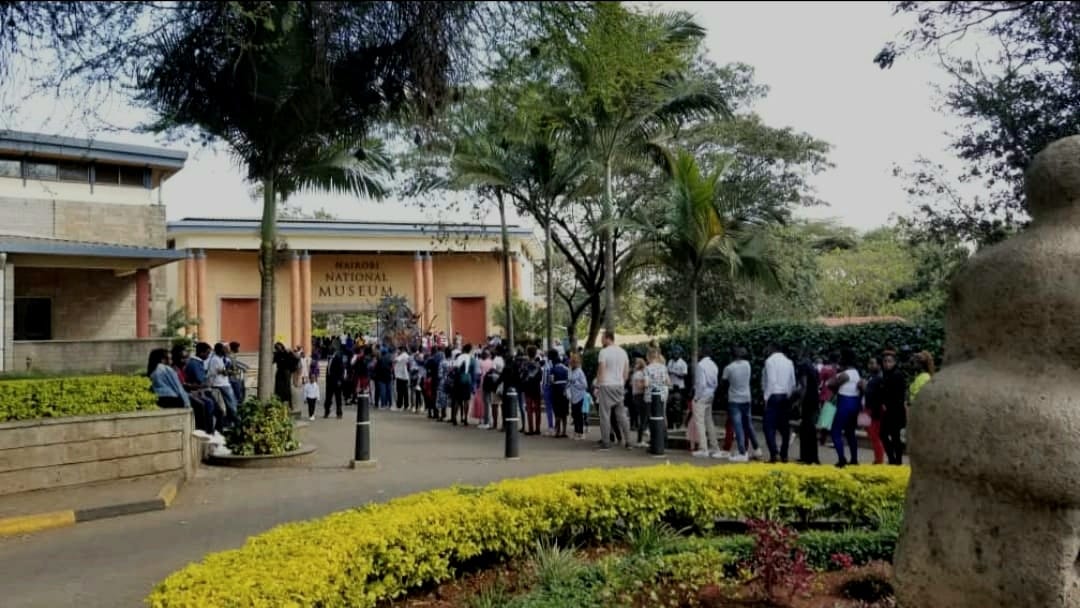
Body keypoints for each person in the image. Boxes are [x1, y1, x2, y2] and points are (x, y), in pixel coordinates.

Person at [594, 331, 631, 450]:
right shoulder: (623, 352)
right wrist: (622, 383)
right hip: (619, 385)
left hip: (606, 385)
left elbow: (601, 370)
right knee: (621, 414)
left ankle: (606, 442)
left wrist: (598, 386)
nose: (601, 340)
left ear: (607, 338)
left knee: (604, 414)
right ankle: (628, 441)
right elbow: (626, 371)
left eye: (602, 338)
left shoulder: (603, 352)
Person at [723, 347, 760, 462]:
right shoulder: (747, 365)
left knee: (738, 426)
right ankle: (757, 449)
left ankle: (742, 452)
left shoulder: (729, 368)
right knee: (748, 425)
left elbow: (724, 382)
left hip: (734, 400)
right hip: (746, 398)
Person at [762, 343, 797, 463]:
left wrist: (766, 397)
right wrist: (788, 395)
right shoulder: (789, 362)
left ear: (772, 348)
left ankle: (774, 453)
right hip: (785, 396)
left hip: (773, 395)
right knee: (784, 427)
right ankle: (784, 454)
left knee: (768, 427)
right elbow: (792, 383)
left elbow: (771, 380)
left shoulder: (770, 361)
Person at [827, 348, 862, 467]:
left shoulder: (845, 374)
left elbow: (830, 384)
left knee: (835, 431)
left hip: (845, 403)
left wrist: (835, 375)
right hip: (855, 403)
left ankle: (841, 458)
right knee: (850, 432)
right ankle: (854, 459)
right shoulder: (856, 373)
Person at [691, 347, 721, 458]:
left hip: (702, 395)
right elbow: (716, 382)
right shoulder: (714, 365)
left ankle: (703, 448)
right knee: (709, 421)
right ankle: (715, 448)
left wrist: (697, 397)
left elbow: (701, 384)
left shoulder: (700, 365)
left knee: (700, 422)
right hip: (710, 394)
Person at [880, 351, 908, 465]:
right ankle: (893, 459)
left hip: (895, 411)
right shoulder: (887, 375)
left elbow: (898, 395)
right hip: (890, 411)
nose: (887, 364)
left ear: (894, 362)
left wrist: (887, 404)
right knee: (886, 435)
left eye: (889, 361)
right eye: (885, 361)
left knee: (894, 436)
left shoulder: (897, 375)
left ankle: (896, 460)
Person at [794, 352, 821, 465]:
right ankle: (811, 456)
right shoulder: (813, 368)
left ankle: (807, 457)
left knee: (806, 428)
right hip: (814, 398)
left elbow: (804, 386)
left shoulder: (803, 367)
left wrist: (799, 402)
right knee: (809, 428)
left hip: (808, 400)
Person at [643, 347, 671, 447]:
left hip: (650, 396)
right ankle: (664, 439)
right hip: (662, 395)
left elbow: (646, 384)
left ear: (648, 357)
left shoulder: (647, 368)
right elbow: (668, 382)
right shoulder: (663, 367)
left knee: (652, 418)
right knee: (662, 416)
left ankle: (654, 440)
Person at [861, 355, 885, 464]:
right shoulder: (871, 377)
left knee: (874, 434)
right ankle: (877, 458)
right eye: (869, 363)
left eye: (872, 363)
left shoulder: (879, 379)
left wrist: (864, 387)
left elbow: (873, 394)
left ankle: (879, 460)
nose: (869, 365)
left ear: (879, 366)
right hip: (866, 408)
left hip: (873, 410)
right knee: (869, 432)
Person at [208, 343, 240, 425]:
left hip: (224, 383)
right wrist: (230, 371)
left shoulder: (220, 358)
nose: (225, 350)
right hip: (221, 384)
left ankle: (229, 421)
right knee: (232, 403)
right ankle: (237, 421)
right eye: (223, 349)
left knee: (230, 403)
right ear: (219, 350)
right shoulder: (215, 359)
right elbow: (224, 372)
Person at [520, 346, 544, 435]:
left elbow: (521, 376)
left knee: (529, 409)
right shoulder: (538, 365)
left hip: (527, 388)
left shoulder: (524, 364)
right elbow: (540, 377)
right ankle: (537, 429)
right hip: (536, 388)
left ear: (527, 353)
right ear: (535, 353)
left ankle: (530, 429)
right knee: (538, 409)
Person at [451, 344, 475, 426]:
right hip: (467, 380)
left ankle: (454, 418)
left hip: (458, 380)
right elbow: (473, 372)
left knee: (457, 400)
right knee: (466, 400)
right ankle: (465, 418)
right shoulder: (471, 359)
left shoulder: (459, 357)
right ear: (470, 350)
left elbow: (454, 368)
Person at [549, 349, 570, 438]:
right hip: (565, 391)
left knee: (557, 412)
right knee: (564, 412)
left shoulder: (553, 369)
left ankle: (557, 431)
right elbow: (569, 380)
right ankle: (564, 431)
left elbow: (551, 380)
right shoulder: (566, 369)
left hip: (556, 391)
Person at [568, 352, 588, 440]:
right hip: (573, 396)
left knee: (579, 415)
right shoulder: (571, 371)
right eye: (571, 362)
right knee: (574, 415)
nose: (572, 363)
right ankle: (576, 432)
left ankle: (581, 432)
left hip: (580, 396)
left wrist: (575, 383)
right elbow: (569, 381)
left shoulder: (580, 372)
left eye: (574, 362)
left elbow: (585, 385)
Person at [667, 349, 688, 430]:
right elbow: (667, 372)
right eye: (674, 353)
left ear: (679, 354)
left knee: (678, 407)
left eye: (676, 353)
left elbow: (684, 375)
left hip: (679, 387)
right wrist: (669, 372)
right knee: (669, 406)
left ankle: (678, 423)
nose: (675, 354)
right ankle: (670, 424)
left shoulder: (683, 363)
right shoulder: (670, 362)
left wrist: (675, 373)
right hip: (670, 387)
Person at [324, 345, 347, 418]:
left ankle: (339, 413)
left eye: (330, 350)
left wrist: (340, 380)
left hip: (337, 382)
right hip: (330, 382)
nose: (329, 351)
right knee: (328, 398)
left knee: (338, 398)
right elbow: (328, 371)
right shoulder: (329, 359)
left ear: (333, 351)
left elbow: (341, 370)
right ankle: (327, 411)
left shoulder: (338, 359)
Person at [630, 358, 648, 446]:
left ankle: (640, 439)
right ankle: (640, 440)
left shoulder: (635, 374)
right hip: (640, 396)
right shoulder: (639, 374)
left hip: (636, 396)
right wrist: (647, 384)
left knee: (642, 417)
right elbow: (639, 385)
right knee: (643, 418)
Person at [394, 347, 411, 411]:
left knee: (400, 391)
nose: (398, 351)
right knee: (405, 392)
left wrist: (396, 355)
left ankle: (399, 405)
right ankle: (406, 405)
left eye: (398, 350)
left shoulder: (403, 355)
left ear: (402, 350)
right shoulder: (406, 355)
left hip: (401, 376)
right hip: (404, 376)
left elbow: (396, 360)